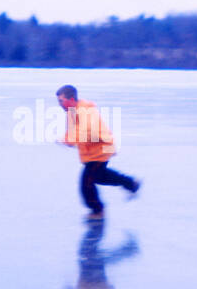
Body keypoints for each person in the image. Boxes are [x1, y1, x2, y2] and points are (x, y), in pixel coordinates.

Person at [55, 84, 140, 217]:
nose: (59, 104)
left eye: (61, 100)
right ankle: (130, 183)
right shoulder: (71, 112)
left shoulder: (85, 110)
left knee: (87, 182)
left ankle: (98, 210)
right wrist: (67, 139)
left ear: (71, 99)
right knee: (99, 176)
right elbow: (73, 132)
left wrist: (69, 140)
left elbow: (86, 131)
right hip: (94, 151)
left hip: (102, 147)